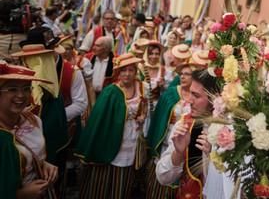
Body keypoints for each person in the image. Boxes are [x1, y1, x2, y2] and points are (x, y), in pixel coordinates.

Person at [76, 54, 148, 199]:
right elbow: (99, 120)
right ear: (118, 72)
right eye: (123, 70)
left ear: (135, 72)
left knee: (124, 178)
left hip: (132, 139)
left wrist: (142, 116)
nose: (127, 74)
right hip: (110, 137)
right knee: (103, 179)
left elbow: (146, 107)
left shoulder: (142, 87)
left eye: (131, 70)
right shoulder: (110, 91)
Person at [155, 69, 218, 197]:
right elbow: (162, 177)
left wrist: (212, 157)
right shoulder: (185, 124)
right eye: (190, 93)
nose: (189, 100)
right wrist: (178, 154)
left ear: (214, 99)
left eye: (196, 95)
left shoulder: (228, 131)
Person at [0, 62, 59, 198]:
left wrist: (43, 164)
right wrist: (20, 195)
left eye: (27, 89)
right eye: (12, 89)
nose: (21, 95)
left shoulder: (33, 120)